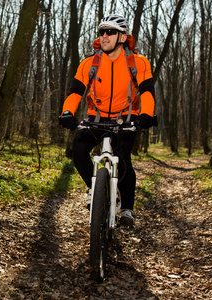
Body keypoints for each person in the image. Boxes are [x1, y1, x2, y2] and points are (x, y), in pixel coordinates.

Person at [59, 14, 156, 227]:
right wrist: (67, 112)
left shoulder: (137, 62)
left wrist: (147, 115)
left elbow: (147, 91)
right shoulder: (89, 63)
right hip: (96, 118)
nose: (104, 36)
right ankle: (94, 189)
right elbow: (75, 92)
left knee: (123, 160)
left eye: (110, 32)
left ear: (122, 37)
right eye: (102, 32)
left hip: (126, 119)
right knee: (79, 149)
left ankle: (127, 209)